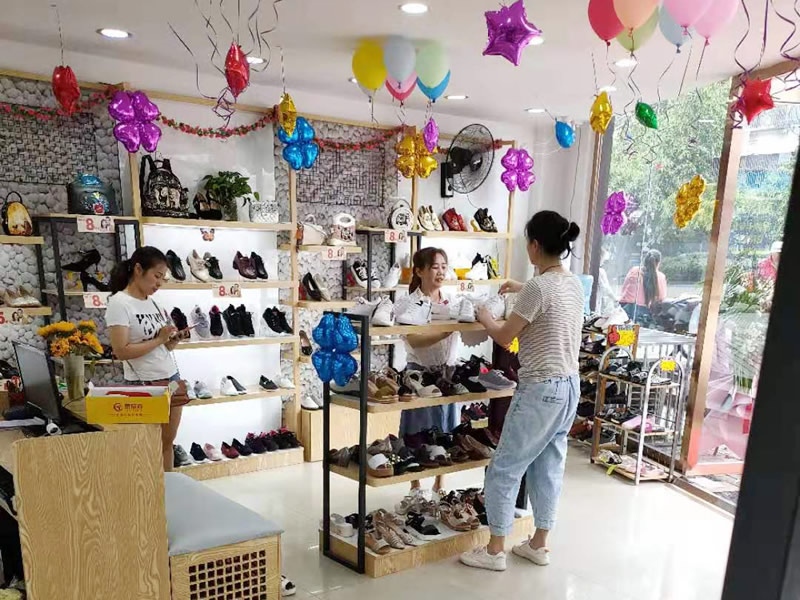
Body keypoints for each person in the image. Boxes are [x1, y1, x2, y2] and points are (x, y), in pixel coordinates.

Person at [459, 210, 583, 572]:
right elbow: (547, 300)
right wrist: (519, 286)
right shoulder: (572, 283)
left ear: (535, 245)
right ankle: (539, 544)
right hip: (569, 386)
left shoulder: (537, 288)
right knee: (548, 464)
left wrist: (483, 314)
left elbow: (504, 336)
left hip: (541, 388)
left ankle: (495, 550)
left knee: (505, 466)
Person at [106, 246, 189, 472]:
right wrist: (159, 339)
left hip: (171, 378)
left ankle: (168, 489)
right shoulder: (119, 303)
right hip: (144, 383)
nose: (159, 283)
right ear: (138, 269)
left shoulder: (155, 304)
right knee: (147, 447)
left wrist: (172, 340)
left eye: (163, 278)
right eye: (157, 276)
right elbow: (121, 351)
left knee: (167, 443)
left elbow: (163, 346)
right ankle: (150, 493)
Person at [398, 247, 459, 495]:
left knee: (446, 428)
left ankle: (440, 482)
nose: (441, 272)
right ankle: (415, 484)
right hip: (419, 374)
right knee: (417, 430)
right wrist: (445, 331)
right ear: (419, 271)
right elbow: (414, 340)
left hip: (447, 373)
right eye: (435, 267)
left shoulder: (452, 301)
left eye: (444, 266)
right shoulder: (407, 304)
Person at [619, 249, 666, 326]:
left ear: (645, 260)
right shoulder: (660, 276)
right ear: (658, 263)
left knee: (624, 333)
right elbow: (661, 298)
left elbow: (624, 290)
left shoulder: (634, 270)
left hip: (626, 311)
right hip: (644, 314)